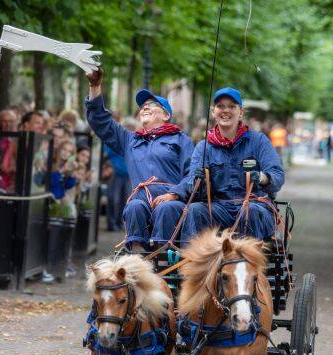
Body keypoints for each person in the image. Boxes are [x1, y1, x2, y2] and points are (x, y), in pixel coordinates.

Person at [154, 88, 284, 242]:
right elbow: (191, 183)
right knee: (195, 210)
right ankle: (193, 262)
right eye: (221, 106)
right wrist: (195, 182)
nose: (225, 111)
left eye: (232, 106)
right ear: (213, 112)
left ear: (241, 112)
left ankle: (246, 262)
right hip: (218, 208)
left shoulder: (259, 141)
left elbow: (277, 175)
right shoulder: (203, 147)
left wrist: (263, 177)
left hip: (254, 205)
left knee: (250, 211)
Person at [85, 68, 193, 251]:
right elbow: (102, 123)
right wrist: (95, 86)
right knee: (134, 206)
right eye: (143, 106)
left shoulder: (181, 140)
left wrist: (175, 194)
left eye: (151, 104)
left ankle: (162, 258)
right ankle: (137, 258)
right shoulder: (131, 140)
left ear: (166, 115)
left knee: (166, 208)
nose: (145, 107)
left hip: (171, 200)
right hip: (141, 199)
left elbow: (192, 174)